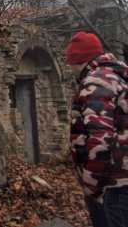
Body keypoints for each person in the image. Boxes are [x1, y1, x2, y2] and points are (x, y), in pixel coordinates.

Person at [66, 31, 128, 227]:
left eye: (70, 64)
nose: (70, 70)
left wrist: (92, 186)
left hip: (112, 185)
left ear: (79, 61)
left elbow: (100, 140)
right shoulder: (118, 76)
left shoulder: (95, 82)